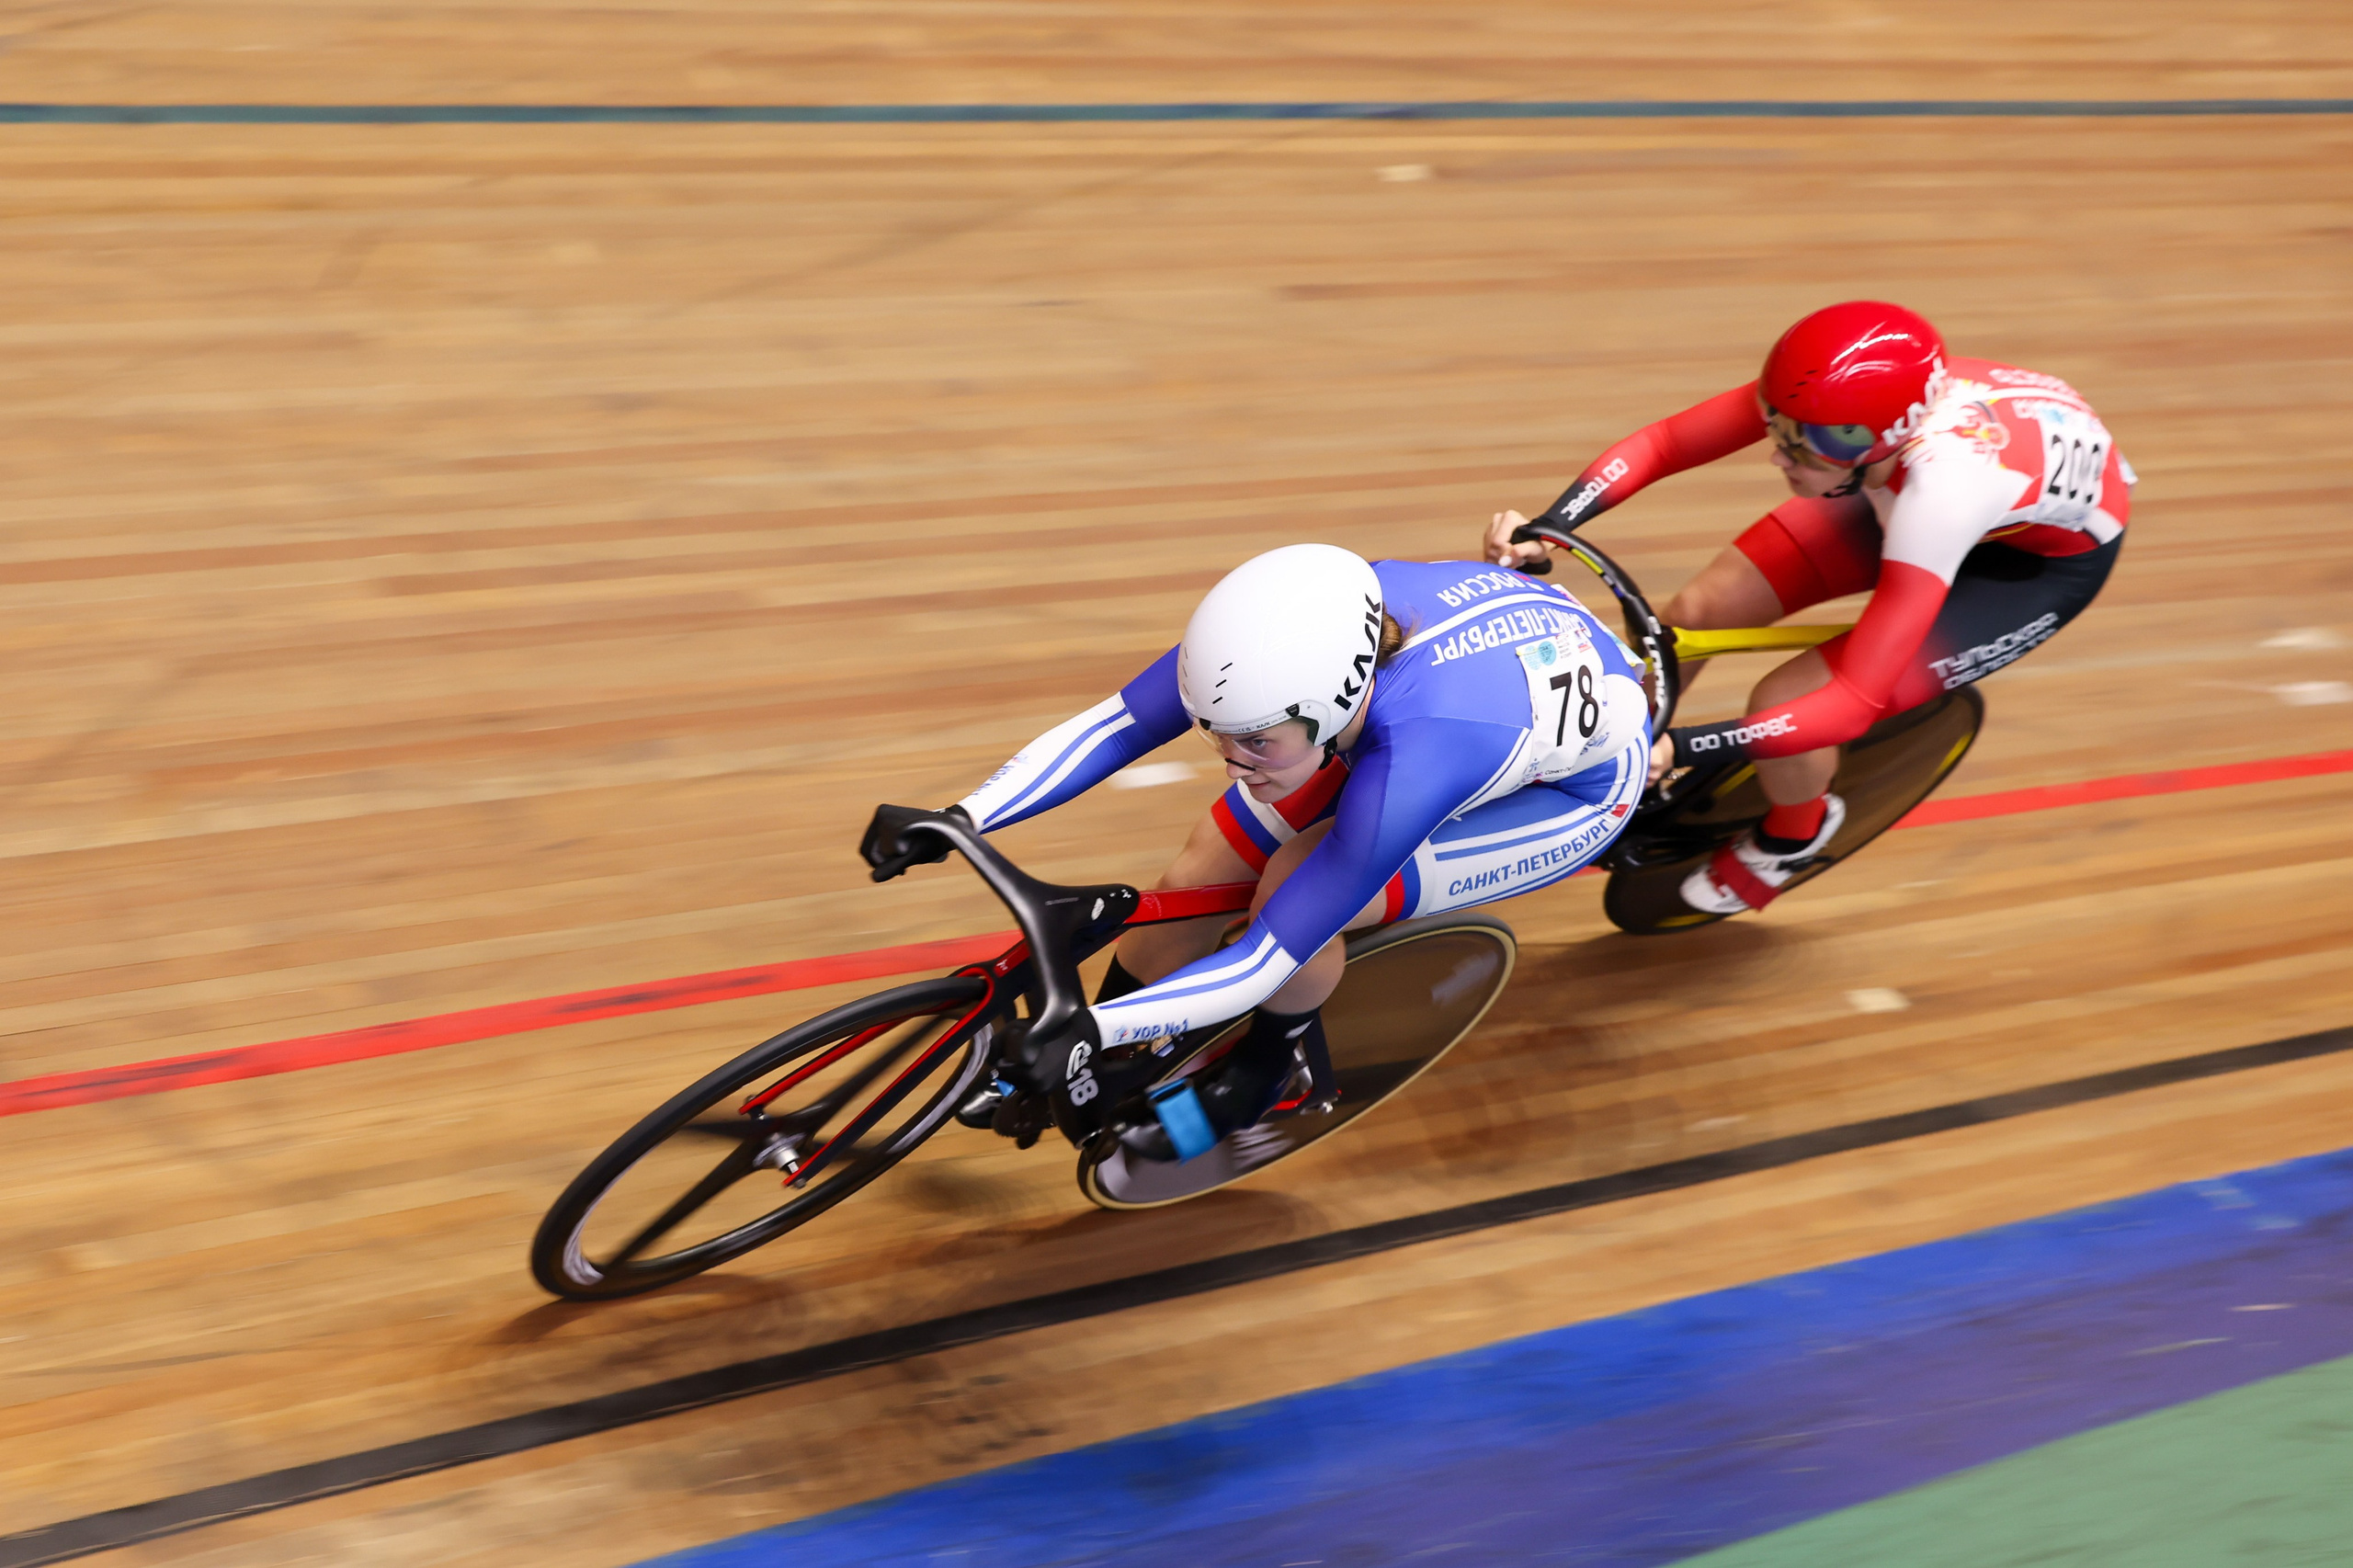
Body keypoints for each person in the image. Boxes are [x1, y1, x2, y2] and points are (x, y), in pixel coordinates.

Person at [870, 544, 1650, 1159]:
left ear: (1328, 707)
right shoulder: (1276, 649)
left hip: (1571, 789)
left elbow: (1271, 956)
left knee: (1292, 888)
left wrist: (1089, 1032)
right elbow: (1116, 726)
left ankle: (1269, 1070)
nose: (1228, 758)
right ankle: (1120, 1058)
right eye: (1217, 733)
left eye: (1253, 743)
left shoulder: (1422, 755)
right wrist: (960, 815)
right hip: (1454, 695)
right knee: (1204, 862)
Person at [1484, 301, 2131, 915]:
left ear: (1877, 440)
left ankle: (1795, 837)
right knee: (1700, 610)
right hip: (1896, 487)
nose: (1776, 453)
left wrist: (1685, 744)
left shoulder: (1942, 491)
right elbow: (1662, 444)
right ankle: (1617, 750)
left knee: (1782, 703)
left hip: (2029, 566)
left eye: (1804, 445)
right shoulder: (1834, 404)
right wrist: (1554, 522)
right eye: (1778, 427)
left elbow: (1851, 702)